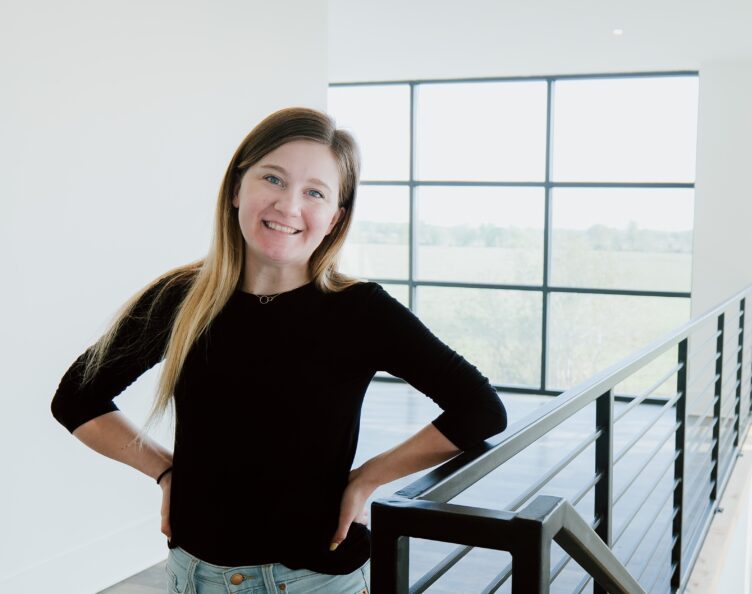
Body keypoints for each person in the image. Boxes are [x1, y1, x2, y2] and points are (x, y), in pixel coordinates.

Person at [50, 107, 509, 593]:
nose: (289, 206)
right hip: (195, 576)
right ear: (236, 189)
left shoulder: (361, 311)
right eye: (273, 178)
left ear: (334, 218)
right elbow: (76, 399)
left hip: (314, 581)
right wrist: (165, 470)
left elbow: (479, 409)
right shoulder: (180, 299)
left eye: (315, 192)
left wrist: (368, 477)